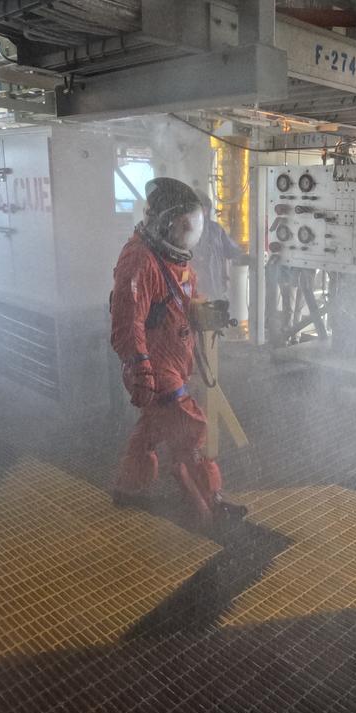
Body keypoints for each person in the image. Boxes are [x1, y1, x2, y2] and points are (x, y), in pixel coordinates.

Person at [109, 176, 245, 523]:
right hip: (155, 366)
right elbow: (128, 321)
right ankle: (207, 506)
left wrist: (202, 312)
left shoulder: (172, 260)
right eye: (185, 228)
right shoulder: (140, 261)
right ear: (165, 223)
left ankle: (129, 488)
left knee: (152, 430)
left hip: (170, 360)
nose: (190, 236)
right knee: (191, 430)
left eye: (192, 228)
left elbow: (178, 304)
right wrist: (141, 369)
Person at [191, 191, 247, 300]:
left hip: (215, 288)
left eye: (206, 207)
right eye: (200, 207)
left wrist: (244, 256)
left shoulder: (216, 229)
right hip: (194, 290)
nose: (204, 211)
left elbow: (230, 249)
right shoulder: (186, 231)